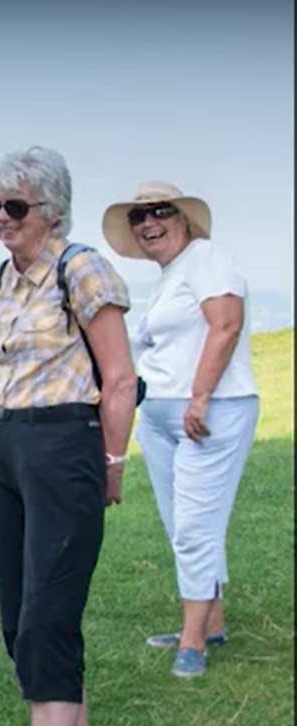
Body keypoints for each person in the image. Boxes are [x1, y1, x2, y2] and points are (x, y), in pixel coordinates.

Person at [0, 147, 137, 726]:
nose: (2, 220)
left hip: (63, 442)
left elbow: (120, 377)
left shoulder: (83, 267)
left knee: (48, 615)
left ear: (52, 209)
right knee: (20, 618)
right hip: (1, 444)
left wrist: (113, 462)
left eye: (16, 206)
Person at [105, 182, 258, 679]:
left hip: (209, 412)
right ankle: (210, 622)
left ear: (185, 219)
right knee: (183, 527)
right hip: (162, 415)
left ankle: (193, 644)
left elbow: (226, 324)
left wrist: (200, 396)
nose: (149, 222)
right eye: (139, 217)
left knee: (195, 528)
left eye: (160, 212)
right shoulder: (171, 273)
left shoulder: (207, 257)